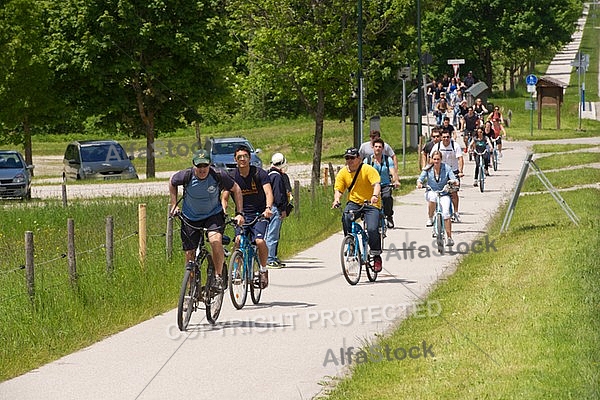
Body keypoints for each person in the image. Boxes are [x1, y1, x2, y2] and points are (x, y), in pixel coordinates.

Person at [169, 149, 245, 291]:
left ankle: (218, 276)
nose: (202, 169)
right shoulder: (186, 175)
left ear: (210, 165)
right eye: (199, 166)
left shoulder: (218, 175)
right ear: (194, 165)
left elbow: (236, 189)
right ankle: (192, 288)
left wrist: (239, 213)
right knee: (189, 254)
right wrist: (174, 205)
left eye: (205, 166)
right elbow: (172, 182)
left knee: (215, 240)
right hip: (190, 216)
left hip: (213, 215)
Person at [224, 145, 274, 289]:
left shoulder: (259, 173)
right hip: (242, 215)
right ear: (235, 159)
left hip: (260, 214)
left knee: (259, 240)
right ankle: (235, 271)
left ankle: (263, 269)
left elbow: (268, 193)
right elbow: (225, 197)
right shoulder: (232, 176)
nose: (242, 159)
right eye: (239, 157)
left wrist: (268, 208)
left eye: (245, 156)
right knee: (238, 241)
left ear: (249, 158)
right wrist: (223, 211)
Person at [332, 148, 383, 272]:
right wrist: (337, 199)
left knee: (372, 229)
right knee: (346, 217)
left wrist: (375, 196)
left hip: (371, 203)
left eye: (352, 158)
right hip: (354, 202)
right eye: (347, 158)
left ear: (359, 159)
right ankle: (350, 242)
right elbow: (338, 189)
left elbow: (376, 184)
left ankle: (376, 255)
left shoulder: (368, 170)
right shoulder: (343, 173)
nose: (349, 160)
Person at [417, 150, 459, 247]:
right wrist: (419, 183)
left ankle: (449, 237)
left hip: (444, 193)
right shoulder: (427, 169)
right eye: (434, 159)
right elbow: (420, 179)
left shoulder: (446, 168)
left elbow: (452, 177)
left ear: (441, 159)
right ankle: (430, 217)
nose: (436, 161)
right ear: (431, 159)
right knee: (432, 198)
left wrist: (454, 181)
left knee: (446, 214)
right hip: (431, 191)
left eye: (438, 159)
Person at [429, 130, 464, 223]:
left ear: (450, 137)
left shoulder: (455, 145)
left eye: (448, 137)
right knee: (439, 192)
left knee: (454, 193)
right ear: (441, 138)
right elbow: (431, 159)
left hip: (453, 171)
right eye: (444, 137)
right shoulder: (437, 146)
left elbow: (460, 158)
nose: (446, 139)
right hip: (442, 172)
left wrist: (460, 171)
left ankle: (456, 212)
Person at [365, 138, 400, 228]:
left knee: (387, 197)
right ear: (373, 148)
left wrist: (395, 181)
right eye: (376, 146)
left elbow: (393, 172)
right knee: (368, 200)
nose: (378, 148)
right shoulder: (368, 161)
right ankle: (367, 218)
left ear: (383, 148)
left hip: (385, 184)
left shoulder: (388, 160)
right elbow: (364, 172)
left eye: (380, 147)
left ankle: (389, 216)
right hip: (372, 185)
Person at [265, 152, 291, 269]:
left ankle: (272, 257)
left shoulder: (268, 174)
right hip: (275, 208)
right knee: (272, 234)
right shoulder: (277, 176)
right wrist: (282, 208)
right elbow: (278, 194)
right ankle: (270, 259)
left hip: (269, 207)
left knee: (269, 233)